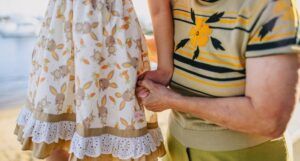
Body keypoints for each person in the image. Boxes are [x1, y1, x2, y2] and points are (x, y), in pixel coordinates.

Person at [138, 0, 300, 160]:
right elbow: (187, 50)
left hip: (244, 155)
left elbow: (269, 121)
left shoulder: (272, 8)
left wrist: (172, 101)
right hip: (175, 150)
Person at [14, 0, 165, 161]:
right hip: (61, 34)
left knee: (116, 131)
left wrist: (164, 68)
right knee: (56, 132)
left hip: (114, 36)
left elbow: (159, 10)